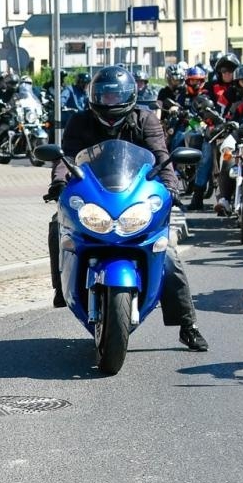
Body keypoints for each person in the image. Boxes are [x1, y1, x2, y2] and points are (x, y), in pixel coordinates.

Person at [42, 66, 208, 351]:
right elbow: (67, 157)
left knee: (167, 254)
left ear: (130, 96)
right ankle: (61, 287)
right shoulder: (80, 122)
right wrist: (58, 183)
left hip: (135, 200)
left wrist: (172, 188)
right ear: (94, 96)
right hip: (96, 198)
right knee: (58, 223)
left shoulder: (146, 120)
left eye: (115, 95)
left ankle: (187, 324)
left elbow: (160, 156)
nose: (109, 102)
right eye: (104, 96)